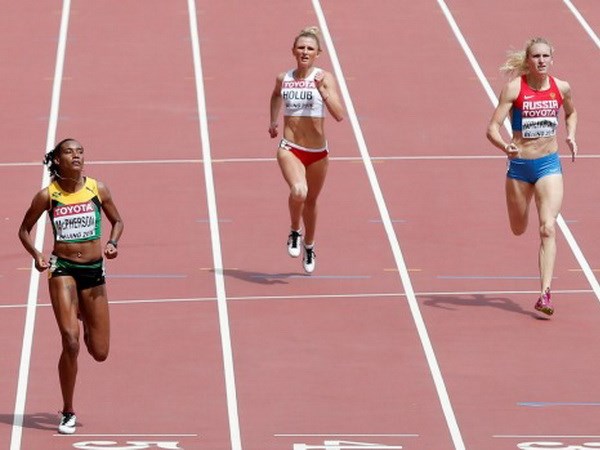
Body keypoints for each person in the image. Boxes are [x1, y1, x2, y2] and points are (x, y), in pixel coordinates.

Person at [18, 138, 124, 434]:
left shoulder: (98, 189)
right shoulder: (47, 195)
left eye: (80, 151)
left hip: (93, 270)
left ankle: (86, 318)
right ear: (57, 160)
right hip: (62, 268)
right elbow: (24, 230)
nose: (76, 156)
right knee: (70, 341)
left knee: (99, 352)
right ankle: (67, 411)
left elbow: (118, 221)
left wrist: (113, 243)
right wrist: (37, 255)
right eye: (69, 152)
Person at [486, 37, 577, 316]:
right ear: (528, 60)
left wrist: (571, 135)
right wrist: (505, 146)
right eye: (536, 56)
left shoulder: (561, 87)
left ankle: (545, 294)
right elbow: (492, 128)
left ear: (552, 59)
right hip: (520, 167)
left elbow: (571, 113)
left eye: (545, 56)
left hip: (549, 165)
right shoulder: (514, 88)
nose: (541, 60)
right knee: (518, 227)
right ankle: (522, 209)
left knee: (548, 227)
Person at [269, 26, 344, 273]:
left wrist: (323, 92)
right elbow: (276, 95)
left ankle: (309, 246)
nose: (304, 51)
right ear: (293, 50)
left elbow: (339, 115)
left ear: (317, 53)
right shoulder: (284, 78)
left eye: (310, 48)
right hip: (290, 148)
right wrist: (273, 120)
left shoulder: (324, 78)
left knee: (311, 201)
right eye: (300, 47)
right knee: (299, 191)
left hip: (318, 152)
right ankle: (294, 231)